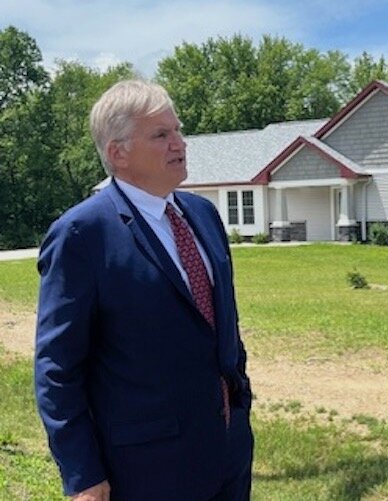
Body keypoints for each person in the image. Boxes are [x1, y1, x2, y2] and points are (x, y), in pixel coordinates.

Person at [35, 80, 253, 500]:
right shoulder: (81, 235)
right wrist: (82, 474)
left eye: (178, 129)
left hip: (228, 450)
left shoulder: (204, 215)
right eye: (161, 135)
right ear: (118, 153)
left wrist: (239, 403)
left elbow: (222, 323)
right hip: (146, 469)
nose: (180, 143)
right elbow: (58, 368)